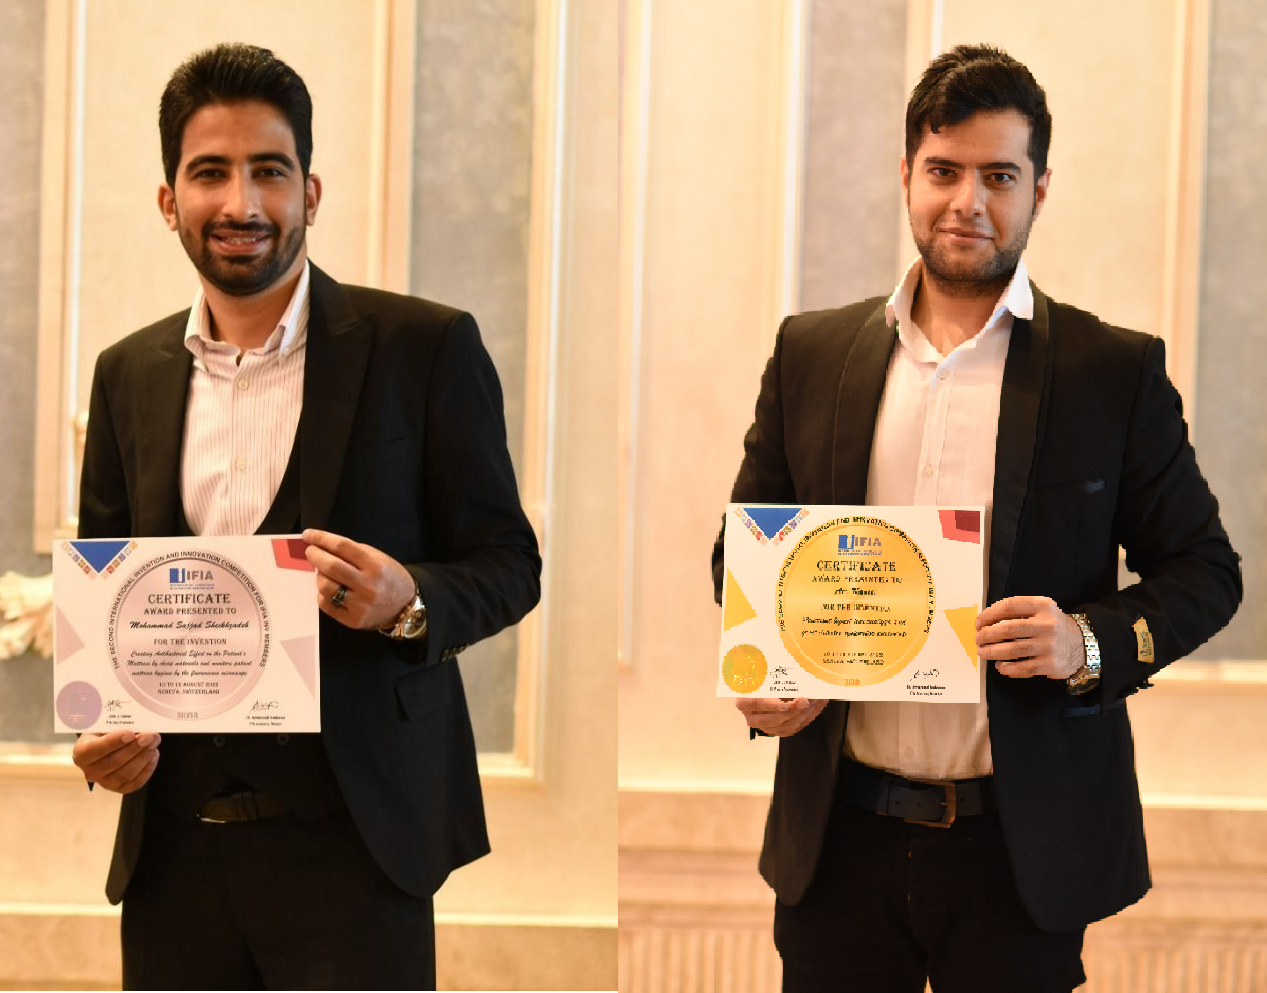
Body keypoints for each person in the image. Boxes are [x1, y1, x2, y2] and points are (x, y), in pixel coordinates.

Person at [713, 44, 1241, 993]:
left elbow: (1205, 571)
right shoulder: (809, 353)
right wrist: (769, 672)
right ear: (905, 176)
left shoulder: (1111, 372)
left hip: (1020, 853)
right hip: (837, 844)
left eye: (997, 175)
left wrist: (1083, 641)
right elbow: (742, 553)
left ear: (1039, 188)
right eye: (943, 171)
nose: (967, 201)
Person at [70, 42, 540, 989]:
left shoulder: (425, 347)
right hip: (174, 855)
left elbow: (508, 562)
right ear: (169, 200)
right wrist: (100, 736)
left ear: (310, 193)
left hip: (359, 847)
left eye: (269, 171)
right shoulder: (125, 375)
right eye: (210, 172)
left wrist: (408, 601)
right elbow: (108, 594)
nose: (241, 202)